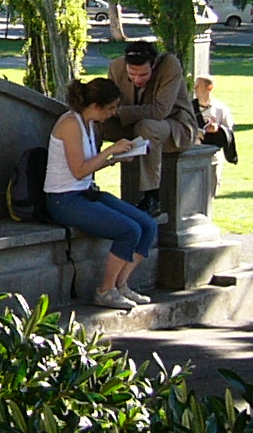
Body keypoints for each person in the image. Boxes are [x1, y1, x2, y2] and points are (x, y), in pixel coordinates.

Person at [43, 76, 161, 311]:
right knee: (129, 230)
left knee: (148, 225)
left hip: (85, 192)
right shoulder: (70, 124)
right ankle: (105, 290)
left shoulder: (89, 124)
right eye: (111, 108)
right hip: (63, 199)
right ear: (96, 106)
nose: (114, 113)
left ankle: (120, 285)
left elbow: (88, 167)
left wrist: (115, 158)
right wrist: (110, 150)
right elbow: (79, 170)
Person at [102, 39, 200, 214]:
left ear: (153, 66)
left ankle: (152, 197)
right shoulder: (116, 67)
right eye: (132, 74)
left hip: (174, 127)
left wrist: (120, 112)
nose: (137, 79)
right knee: (96, 121)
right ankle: (85, 181)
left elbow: (160, 111)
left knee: (147, 127)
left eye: (143, 75)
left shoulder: (170, 66)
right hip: (131, 123)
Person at [194, 75, 237, 185]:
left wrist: (218, 129)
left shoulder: (220, 109)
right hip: (193, 155)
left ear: (209, 87)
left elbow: (229, 131)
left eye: (198, 86)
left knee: (212, 186)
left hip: (213, 156)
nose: (195, 89)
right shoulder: (189, 108)